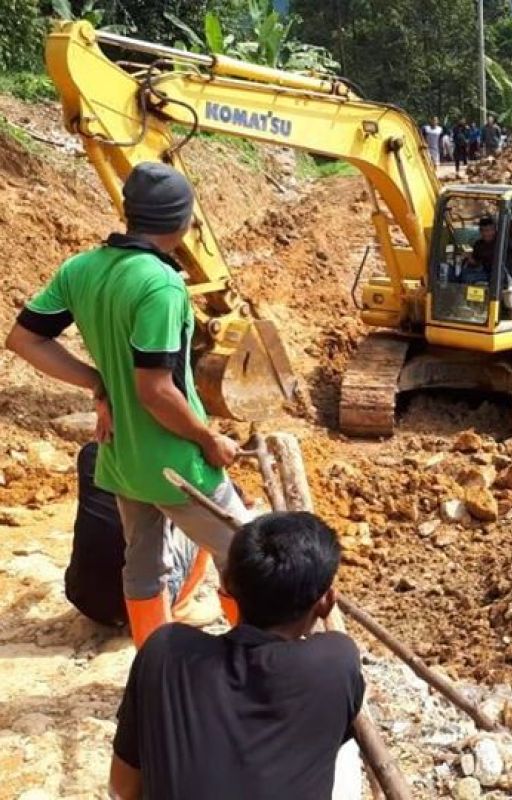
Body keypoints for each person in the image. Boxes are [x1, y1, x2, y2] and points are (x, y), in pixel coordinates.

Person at [6, 162, 248, 649]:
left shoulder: (81, 268)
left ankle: (151, 667)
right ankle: (253, 663)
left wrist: (98, 383)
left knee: (143, 560)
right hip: (176, 462)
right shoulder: (160, 285)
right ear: (183, 222)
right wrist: (208, 438)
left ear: (130, 213)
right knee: (244, 553)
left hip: (121, 457)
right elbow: (155, 390)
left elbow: (24, 338)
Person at [107, 512, 364, 800]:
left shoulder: (166, 651)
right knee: (346, 749)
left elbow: (123, 788)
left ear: (226, 584)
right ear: (327, 602)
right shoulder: (335, 661)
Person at [66, 442, 209, 628]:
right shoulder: (165, 458)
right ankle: (182, 607)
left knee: (96, 522)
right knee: (204, 515)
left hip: (84, 599)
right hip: (147, 603)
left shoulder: (91, 454)